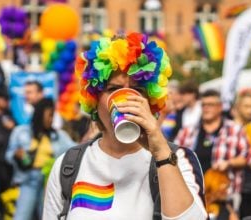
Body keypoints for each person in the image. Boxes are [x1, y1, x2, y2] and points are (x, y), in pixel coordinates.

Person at [43, 33, 207, 219]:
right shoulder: (69, 166)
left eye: (137, 90)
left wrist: (161, 153)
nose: (125, 100)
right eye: (113, 90)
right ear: (95, 99)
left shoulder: (178, 159)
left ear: (150, 99)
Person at [175, 90, 251, 203]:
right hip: (191, 194)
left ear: (220, 107)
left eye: (210, 105)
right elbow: (174, 156)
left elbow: (248, 157)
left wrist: (229, 163)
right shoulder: (188, 130)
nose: (206, 108)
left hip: (224, 195)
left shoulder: (235, 130)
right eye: (203, 105)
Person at [6, 98, 75, 220]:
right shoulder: (21, 131)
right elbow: (8, 155)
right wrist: (17, 155)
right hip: (28, 180)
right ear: (40, 114)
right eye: (49, 115)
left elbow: (76, 149)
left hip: (49, 182)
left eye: (53, 115)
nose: (51, 119)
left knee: (49, 217)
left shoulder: (58, 136)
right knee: (21, 216)